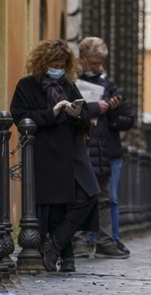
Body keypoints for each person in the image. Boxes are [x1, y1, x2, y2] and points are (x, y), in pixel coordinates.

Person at [9, 39, 100, 273]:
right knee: (57, 206)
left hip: (72, 153)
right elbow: (20, 116)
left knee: (89, 194)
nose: (58, 69)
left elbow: (85, 117)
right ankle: (66, 256)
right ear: (42, 62)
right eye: (54, 65)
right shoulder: (27, 86)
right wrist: (52, 113)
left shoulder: (68, 85)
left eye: (61, 65)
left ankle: (55, 246)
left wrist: (76, 114)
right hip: (46, 153)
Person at [72, 37, 134, 259]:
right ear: (82, 58)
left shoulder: (109, 87)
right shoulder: (71, 83)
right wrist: (95, 108)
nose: (98, 68)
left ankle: (105, 241)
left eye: (100, 63)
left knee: (105, 199)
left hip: (103, 149)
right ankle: (79, 241)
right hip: (79, 146)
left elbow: (127, 120)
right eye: (94, 63)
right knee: (78, 197)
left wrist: (113, 112)